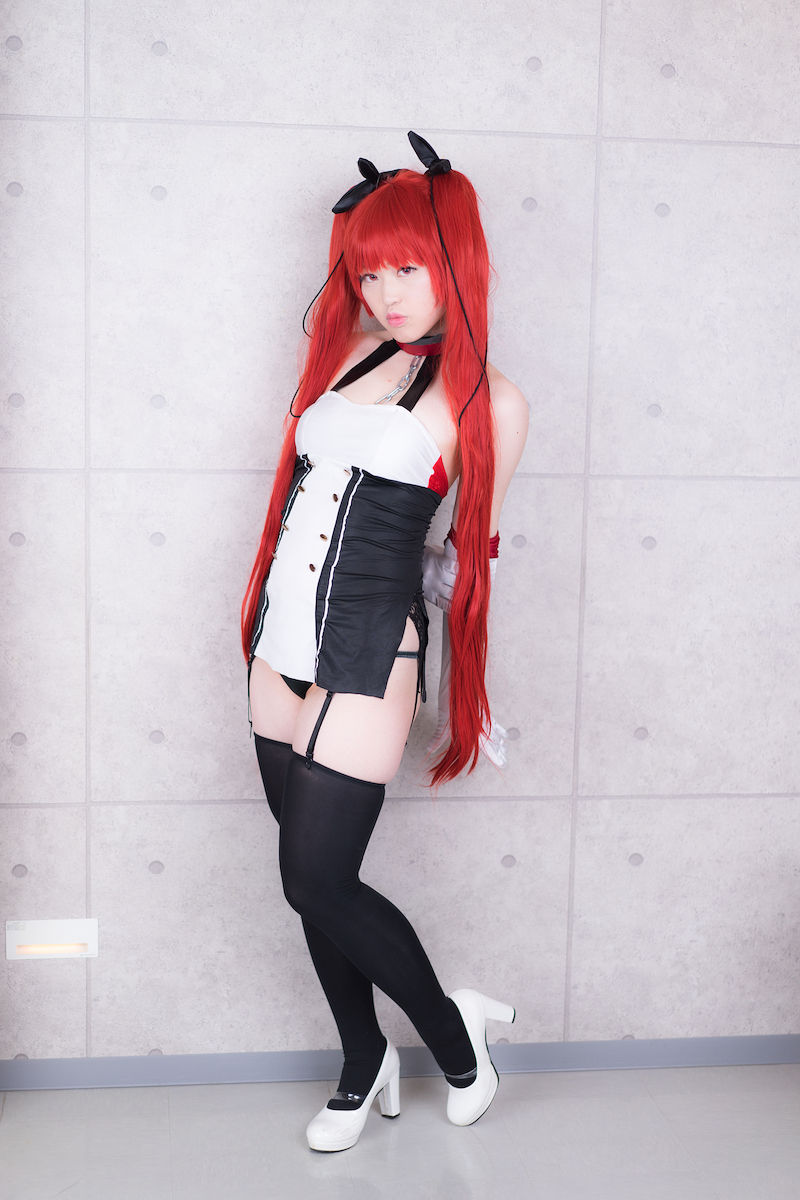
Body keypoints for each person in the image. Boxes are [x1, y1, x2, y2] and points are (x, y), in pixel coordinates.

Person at [241, 132, 529, 1152]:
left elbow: (465, 555)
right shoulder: (347, 355)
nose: (385, 291)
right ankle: (363, 1061)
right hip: (279, 641)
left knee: (316, 878)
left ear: (457, 259)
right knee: (305, 878)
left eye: (406, 267)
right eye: (369, 272)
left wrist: (464, 680)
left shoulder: (489, 401)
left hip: (369, 647)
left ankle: (456, 1037)